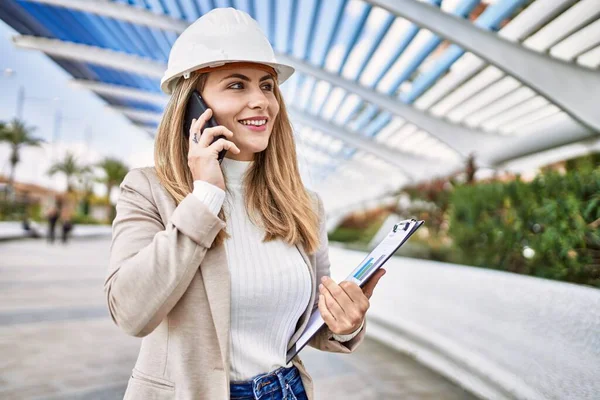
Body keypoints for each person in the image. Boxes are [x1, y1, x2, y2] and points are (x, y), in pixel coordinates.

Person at [105, 8, 386, 400]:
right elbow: (130, 311)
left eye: (267, 86)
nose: (261, 101)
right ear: (194, 107)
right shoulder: (149, 190)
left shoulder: (304, 204)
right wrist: (205, 197)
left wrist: (346, 323)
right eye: (237, 86)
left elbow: (310, 324)